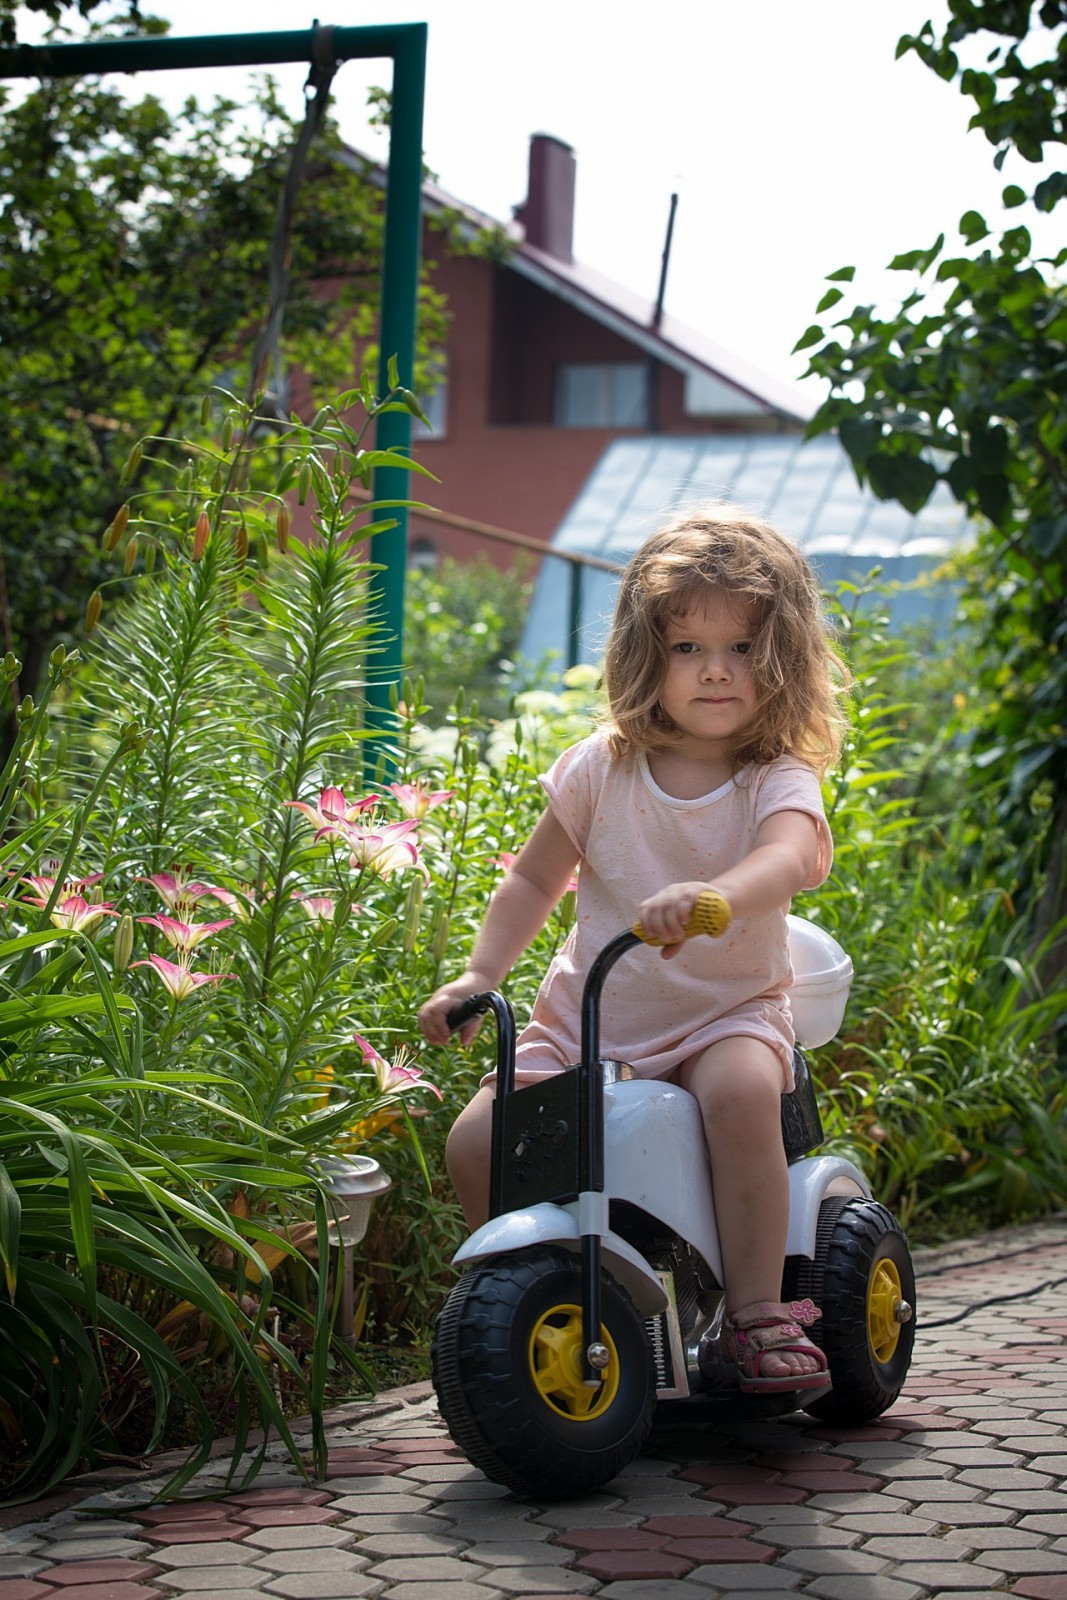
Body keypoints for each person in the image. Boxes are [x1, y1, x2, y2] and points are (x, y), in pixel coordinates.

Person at [418, 505, 848, 1393]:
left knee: (738, 1098)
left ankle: (756, 1312)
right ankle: (523, 1289)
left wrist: (716, 896)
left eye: (741, 651)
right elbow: (534, 882)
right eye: (688, 649)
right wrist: (478, 974)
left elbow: (788, 856)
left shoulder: (775, 776)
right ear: (645, 656)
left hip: (723, 1013)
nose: (716, 673)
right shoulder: (597, 767)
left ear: (782, 662)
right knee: (475, 1141)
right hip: (590, 1019)